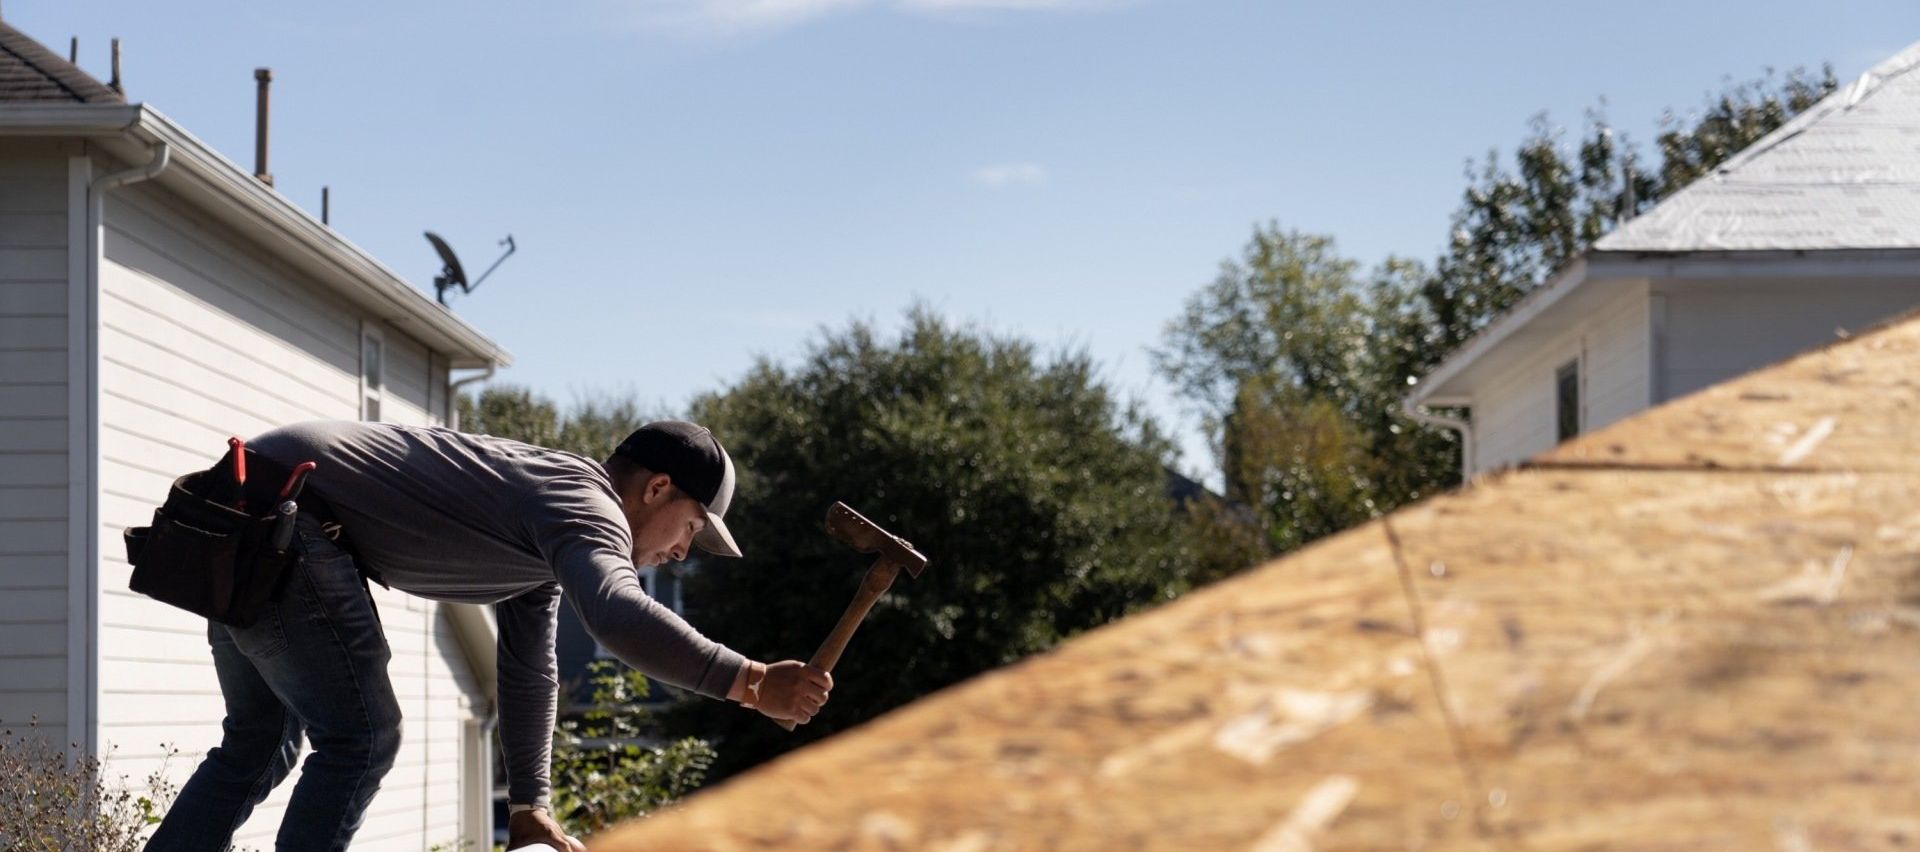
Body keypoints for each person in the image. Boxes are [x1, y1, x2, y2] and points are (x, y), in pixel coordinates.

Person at [145, 420, 830, 852]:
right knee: (361, 739)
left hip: (243, 510)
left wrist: (531, 804)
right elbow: (617, 615)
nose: (683, 552)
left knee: (261, 741)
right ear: (656, 489)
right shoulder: (586, 509)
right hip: (284, 522)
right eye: (691, 528)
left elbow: (530, 673)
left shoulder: (547, 522)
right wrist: (751, 681)